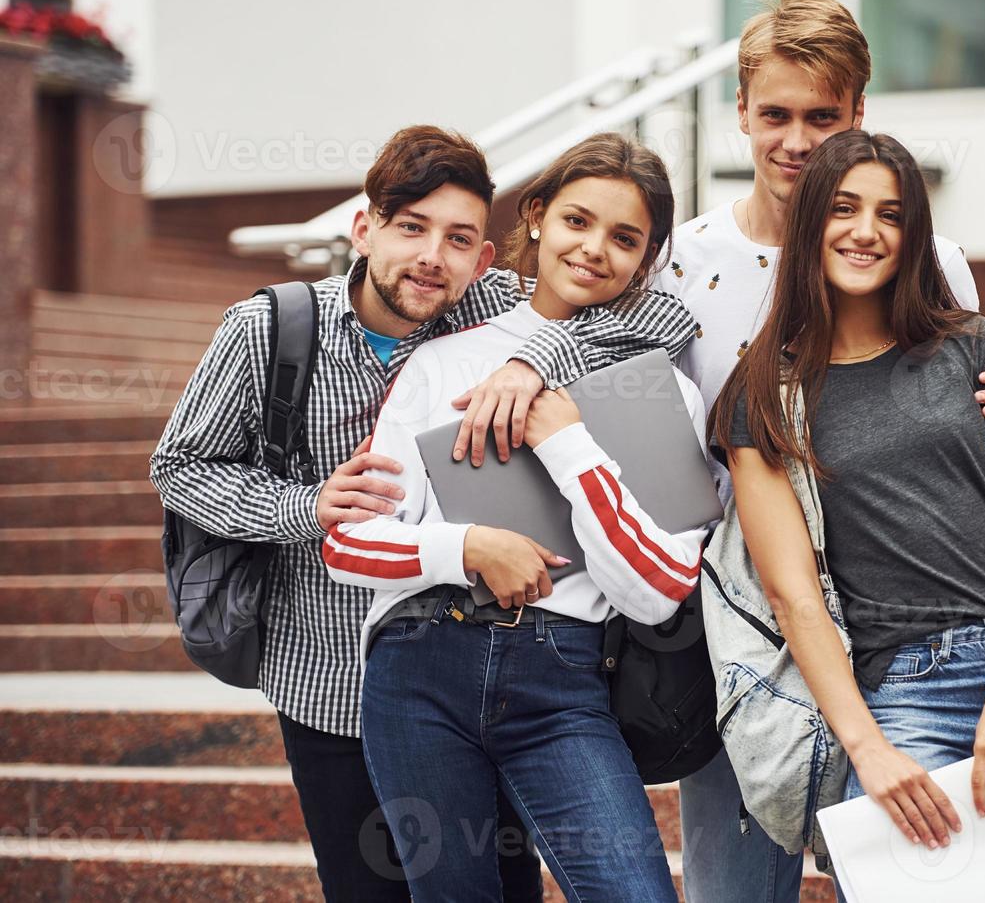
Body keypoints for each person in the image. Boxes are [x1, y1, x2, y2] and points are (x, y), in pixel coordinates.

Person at [449, 0, 985, 903]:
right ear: (738, 111)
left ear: (859, 111)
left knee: (924, 881)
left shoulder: (929, 264)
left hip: (902, 627)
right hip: (742, 634)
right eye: (774, 113)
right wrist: (528, 364)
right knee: (736, 891)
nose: (798, 141)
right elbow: (579, 321)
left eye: (824, 115)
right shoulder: (685, 261)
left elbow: (961, 430)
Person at [150, 125, 696, 903]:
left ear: (484, 257)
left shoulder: (489, 313)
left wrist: (535, 364)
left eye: (458, 239)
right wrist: (307, 507)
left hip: (531, 655)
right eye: (411, 228)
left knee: (508, 884)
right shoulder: (269, 329)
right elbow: (180, 469)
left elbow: (659, 322)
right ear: (364, 228)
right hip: (333, 668)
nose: (431, 257)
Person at [322, 133, 706, 903]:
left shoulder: (669, 395)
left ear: (650, 256)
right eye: (576, 220)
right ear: (535, 217)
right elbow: (348, 543)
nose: (594, 249)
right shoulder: (442, 362)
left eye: (624, 237)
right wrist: (468, 546)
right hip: (419, 670)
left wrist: (564, 443)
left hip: (564, 681)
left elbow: (660, 590)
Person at [710, 130, 985, 897]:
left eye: (889, 214)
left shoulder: (972, 346)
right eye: (844, 209)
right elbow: (792, 594)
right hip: (900, 692)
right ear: (810, 220)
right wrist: (869, 748)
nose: (866, 231)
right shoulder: (760, 391)